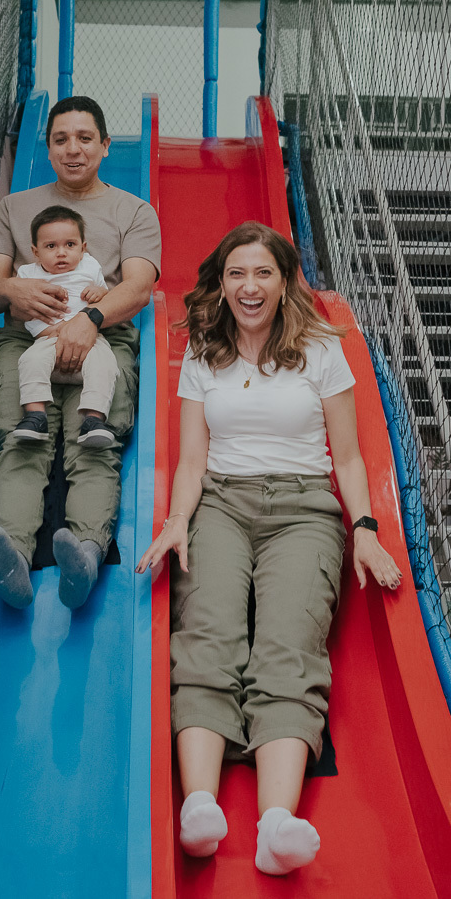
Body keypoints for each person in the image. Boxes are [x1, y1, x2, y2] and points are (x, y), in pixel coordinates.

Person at [136, 222, 401, 875]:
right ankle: (199, 806)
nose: (248, 287)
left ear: (284, 283)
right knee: (208, 635)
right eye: (236, 274)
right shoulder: (204, 350)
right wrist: (177, 521)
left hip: (304, 510)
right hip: (221, 502)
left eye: (262, 273)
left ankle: (276, 821)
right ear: (220, 284)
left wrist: (364, 529)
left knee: (288, 646)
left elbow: (347, 455)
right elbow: (194, 458)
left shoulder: (320, 350)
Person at [0, 96, 160, 611]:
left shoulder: (134, 211)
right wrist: (14, 291)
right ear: (48, 148)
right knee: (20, 434)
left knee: (93, 438)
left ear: (104, 145)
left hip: (104, 336)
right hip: (25, 338)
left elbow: (139, 288)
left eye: (84, 138)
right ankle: (10, 554)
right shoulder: (14, 206)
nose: (72, 149)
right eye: (60, 139)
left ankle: (87, 552)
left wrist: (90, 320)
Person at [12, 205, 118, 449]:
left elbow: (107, 298)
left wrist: (100, 292)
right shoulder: (27, 275)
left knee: (106, 363)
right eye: (51, 246)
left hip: (90, 338)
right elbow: (29, 314)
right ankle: (35, 416)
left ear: (83, 248)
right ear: (35, 252)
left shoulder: (90, 267)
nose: (61, 253)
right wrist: (56, 332)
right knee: (29, 360)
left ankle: (94, 419)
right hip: (48, 337)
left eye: (70, 245)